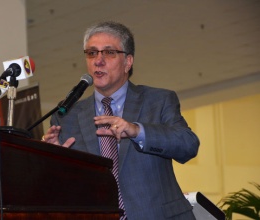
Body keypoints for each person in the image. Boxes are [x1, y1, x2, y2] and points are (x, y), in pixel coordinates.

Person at [41, 21, 200, 220]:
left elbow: (188, 145)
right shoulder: (67, 116)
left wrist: (137, 131)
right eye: (91, 53)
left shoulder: (158, 101)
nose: (98, 61)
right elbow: (64, 190)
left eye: (108, 53)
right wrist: (54, 160)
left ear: (128, 62)